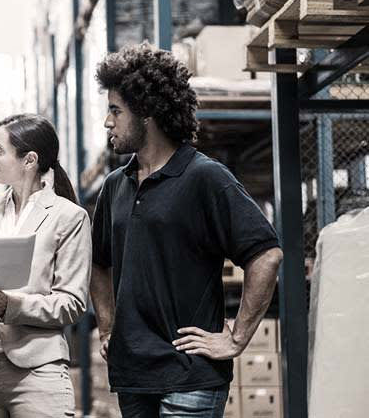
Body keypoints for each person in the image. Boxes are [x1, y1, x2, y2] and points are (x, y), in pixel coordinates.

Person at [89, 43, 283, 418]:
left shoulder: (204, 177)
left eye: (115, 110)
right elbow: (98, 264)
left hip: (191, 373)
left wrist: (236, 338)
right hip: (133, 374)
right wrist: (108, 329)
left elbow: (266, 253)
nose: (107, 122)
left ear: (146, 113)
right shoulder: (116, 184)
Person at [0, 113, 92, 417]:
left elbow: (72, 303)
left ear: (29, 160)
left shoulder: (69, 217)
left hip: (37, 372)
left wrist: (8, 305)